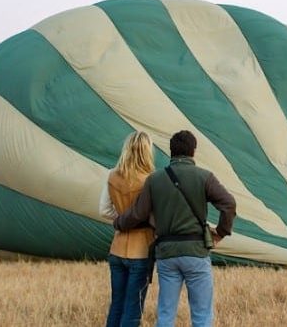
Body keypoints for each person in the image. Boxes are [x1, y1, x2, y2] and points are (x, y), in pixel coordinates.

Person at [115, 130, 237, 327]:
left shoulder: (154, 180)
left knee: (165, 314)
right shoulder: (205, 177)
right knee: (202, 315)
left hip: (167, 254)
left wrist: (118, 223)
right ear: (193, 151)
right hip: (196, 252)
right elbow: (229, 204)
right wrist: (221, 232)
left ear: (171, 151)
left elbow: (138, 214)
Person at [99, 131, 156, 327]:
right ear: (147, 151)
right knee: (133, 309)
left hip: (117, 248)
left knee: (117, 305)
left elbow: (104, 210)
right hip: (141, 251)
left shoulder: (112, 175)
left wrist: (122, 220)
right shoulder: (151, 180)